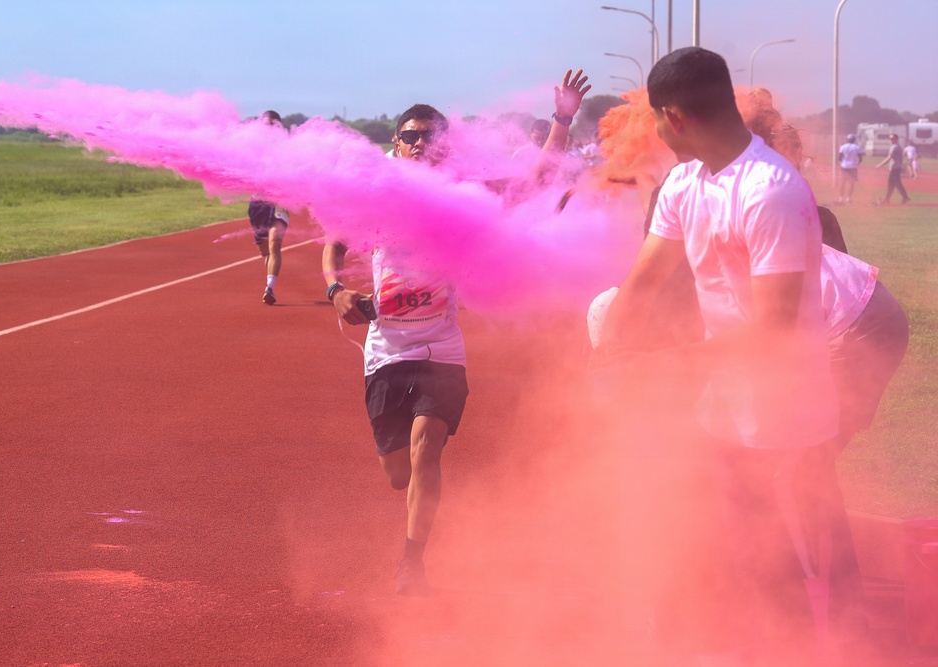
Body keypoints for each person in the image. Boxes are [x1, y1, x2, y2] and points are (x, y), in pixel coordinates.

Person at [597, 47, 839, 657]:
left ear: (674, 117)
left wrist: (665, 364)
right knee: (708, 537)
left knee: (775, 566)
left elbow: (775, 333)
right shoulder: (686, 180)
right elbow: (645, 280)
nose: (649, 129)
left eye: (652, 117)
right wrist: (610, 352)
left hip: (786, 417)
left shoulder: (771, 191)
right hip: (725, 405)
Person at [323, 71, 590, 596]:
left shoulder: (463, 196)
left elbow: (534, 182)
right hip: (386, 350)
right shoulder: (374, 200)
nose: (421, 143)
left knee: (428, 450)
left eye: (431, 136)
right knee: (399, 475)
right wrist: (336, 290)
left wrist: (561, 119)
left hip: (442, 348)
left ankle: (412, 563)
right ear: (395, 145)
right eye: (411, 135)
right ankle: (412, 536)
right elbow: (333, 245)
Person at [248, 110, 291, 305]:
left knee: (275, 243)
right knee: (265, 251)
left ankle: (270, 288)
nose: (269, 129)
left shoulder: (287, 149)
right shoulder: (252, 148)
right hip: (257, 204)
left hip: (279, 202)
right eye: (266, 125)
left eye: (273, 125)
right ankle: (270, 278)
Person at [876, 133, 910, 205]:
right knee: (892, 184)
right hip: (896, 167)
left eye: (892, 138)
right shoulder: (898, 146)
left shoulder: (894, 147)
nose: (891, 140)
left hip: (895, 168)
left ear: (896, 139)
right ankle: (887, 199)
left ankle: (905, 197)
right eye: (890, 138)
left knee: (896, 184)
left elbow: (889, 157)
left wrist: (880, 165)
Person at [837, 133, 864, 204]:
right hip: (853, 167)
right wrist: (856, 164)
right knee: (851, 184)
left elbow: (839, 158)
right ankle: (848, 199)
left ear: (847, 140)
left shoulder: (842, 147)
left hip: (844, 167)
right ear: (854, 140)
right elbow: (860, 159)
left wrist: (842, 163)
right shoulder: (857, 147)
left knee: (842, 183)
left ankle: (840, 199)